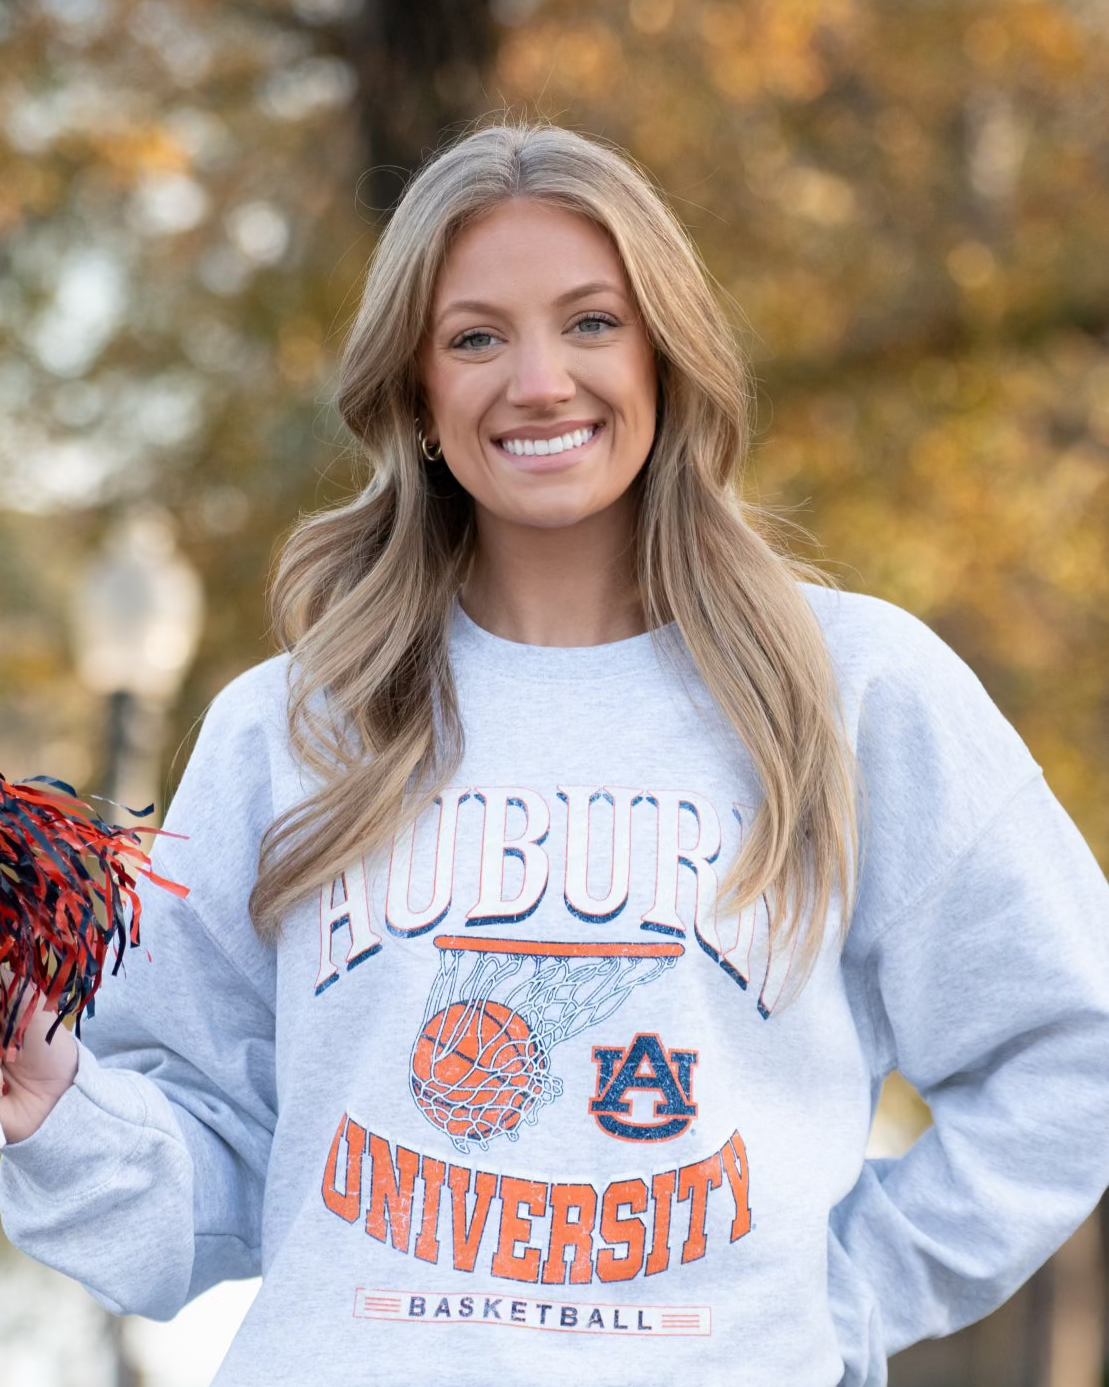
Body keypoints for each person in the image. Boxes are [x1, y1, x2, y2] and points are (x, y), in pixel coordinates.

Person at [2, 121, 1109, 1387]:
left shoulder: (851, 690)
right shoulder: (293, 723)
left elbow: (1071, 1046)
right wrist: (52, 1107)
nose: (538, 381)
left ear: (666, 354)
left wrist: (834, 1302)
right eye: (475, 337)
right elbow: (198, 1195)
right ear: (414, 394)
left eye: (591, 322)